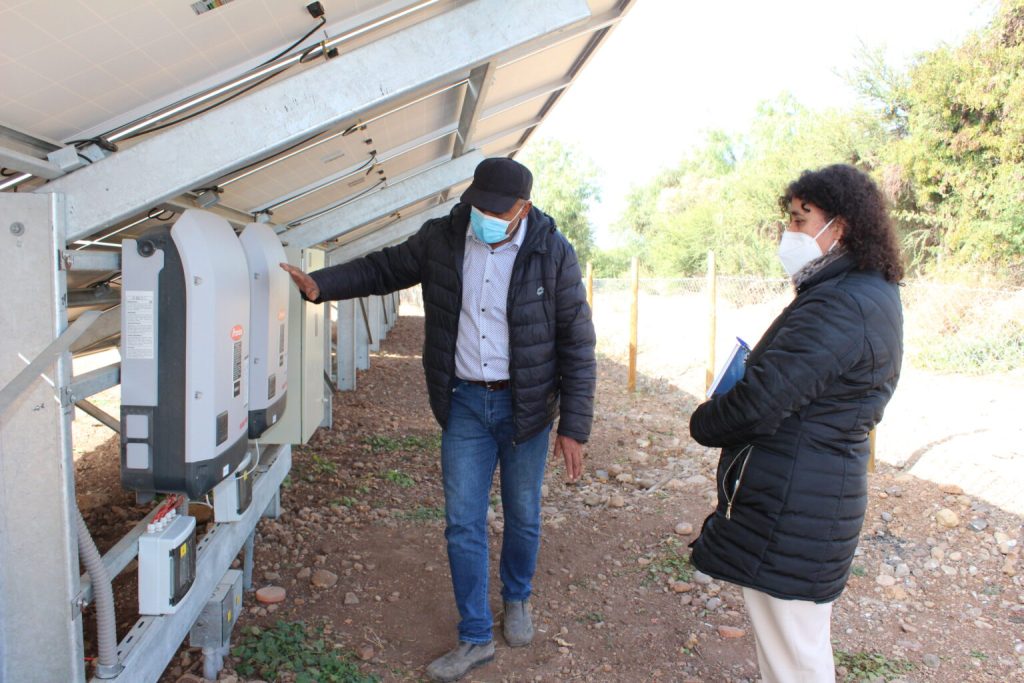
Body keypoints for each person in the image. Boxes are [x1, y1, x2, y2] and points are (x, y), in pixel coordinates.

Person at [280, 157, 596, 682]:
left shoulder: (553, 252)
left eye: (498, 211)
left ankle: (517, 597)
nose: (485, 217)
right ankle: (475, 636)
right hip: (466, 402)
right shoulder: (442, 238)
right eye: (479, 206)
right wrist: (320, 284)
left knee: (522, 514)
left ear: (524, 209)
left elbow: (578, 342)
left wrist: (574, 427)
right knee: (462, 522)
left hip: (527, 407)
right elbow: (383, 268)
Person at [688, 164, 904, 682]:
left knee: (795, 663)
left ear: (840, 227)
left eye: (800, 220)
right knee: (795, 652)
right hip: (806, 500)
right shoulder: (860, 291)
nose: (789, 233)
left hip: (794, 507)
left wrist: (704, 422)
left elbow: (761, 402)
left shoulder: (842, 303)